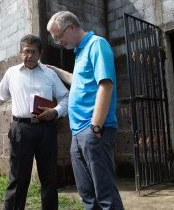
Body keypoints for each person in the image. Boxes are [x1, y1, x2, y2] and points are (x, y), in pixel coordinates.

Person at [0, 34, 69, 210]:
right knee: (18, 178)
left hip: (46, 130)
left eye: (33, 52)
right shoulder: (11, 73)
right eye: (25, 52)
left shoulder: (50, 74)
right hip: (21, 129)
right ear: (20, 52)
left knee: (49, 178)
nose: (29, 55)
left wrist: (56, 111)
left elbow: (65, 97)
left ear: (40, 53)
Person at [46, 11, 124, 210]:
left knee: (105, 195)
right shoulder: (80, 52)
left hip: (94, 130)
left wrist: (96, 127)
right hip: (78, 132)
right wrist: (54, 70)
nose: (57, 42)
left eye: (58, 36)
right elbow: (77, 80)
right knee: (88, 196)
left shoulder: (96, 44)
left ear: (71, 27)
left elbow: (105, 85)